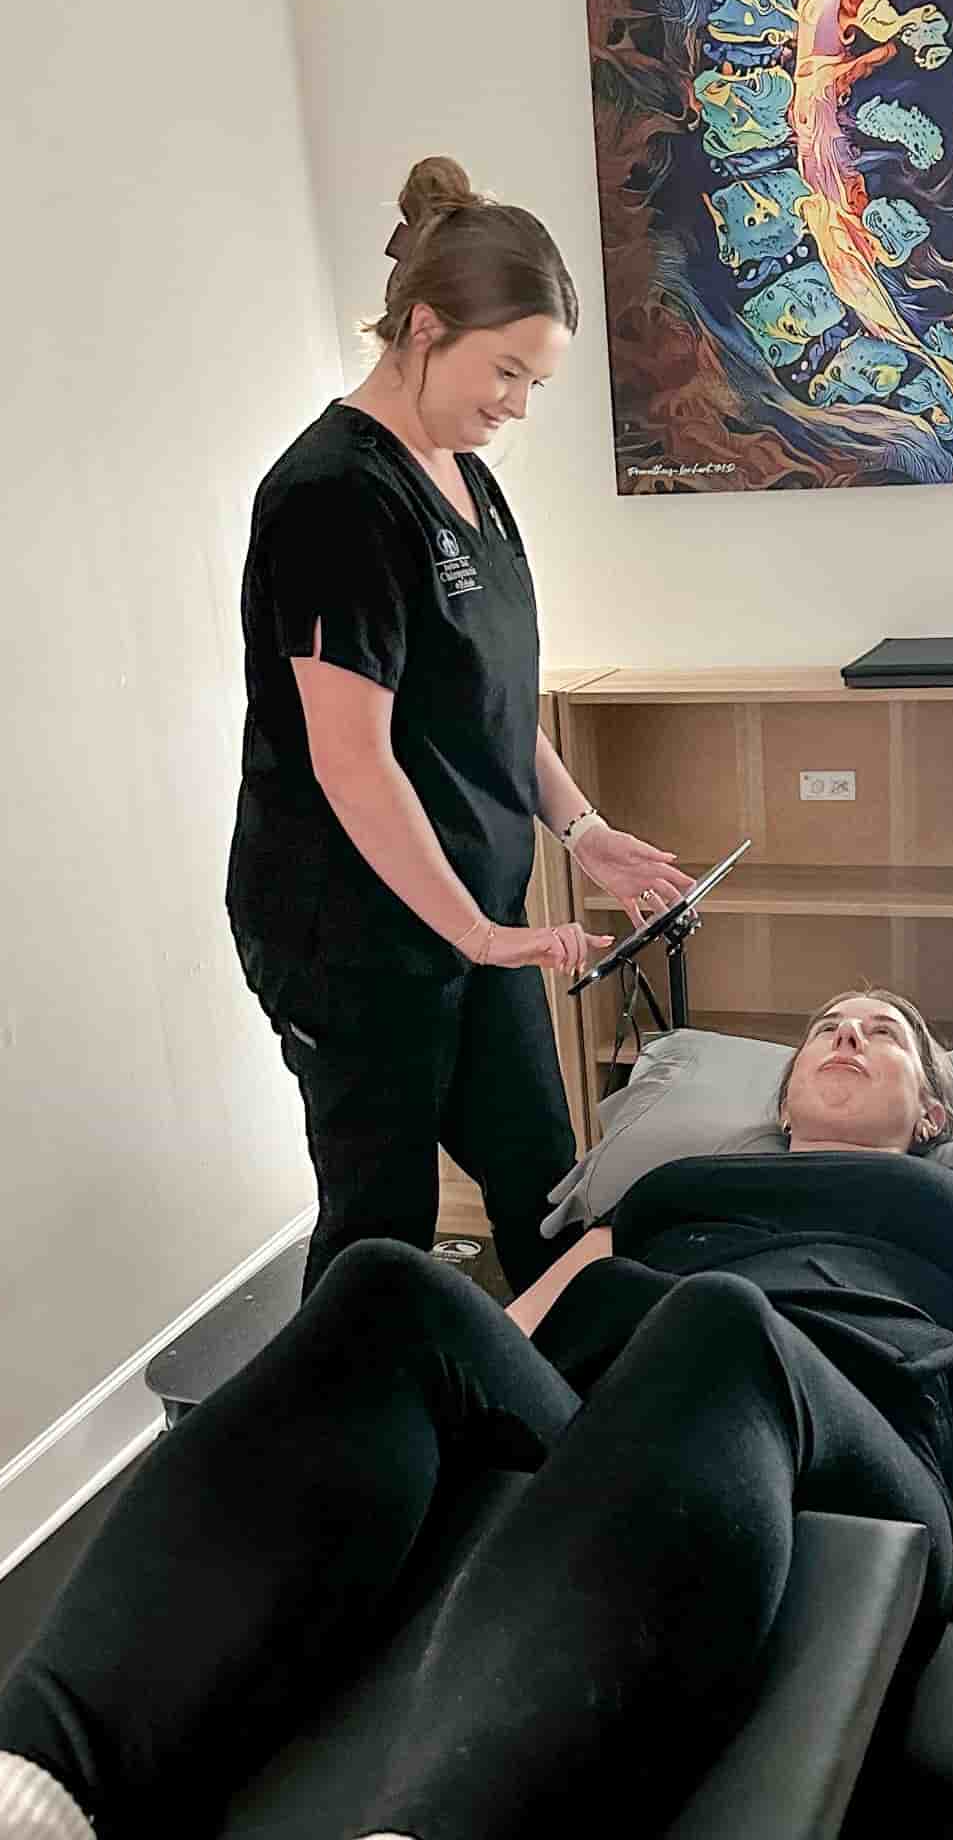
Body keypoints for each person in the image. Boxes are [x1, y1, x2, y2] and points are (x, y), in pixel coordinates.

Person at [0, 989, 953, 1840]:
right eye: (821, 1030)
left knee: (713, 1323)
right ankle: (2, 1809)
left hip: (841, 1457)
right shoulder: (658, 1195)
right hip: (616, 1436)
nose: (844, 1035)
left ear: (931, 1105)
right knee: (388, 1286)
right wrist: (401, 1410)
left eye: (882, 1034)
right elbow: (502, 1344)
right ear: (778, 1095)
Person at [225, 156, 689, 1297]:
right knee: (381, 1223)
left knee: (544, 1187)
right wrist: (481, 938)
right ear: (423, 326)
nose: (517, 406)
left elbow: (490, 700)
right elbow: (351, 760)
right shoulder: (335, 494)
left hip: (470, 918)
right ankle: (339, 1456)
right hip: (350, 932)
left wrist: (581, 830)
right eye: (506, 371)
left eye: (535, 382)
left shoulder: (468, 479)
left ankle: (564, 1439)